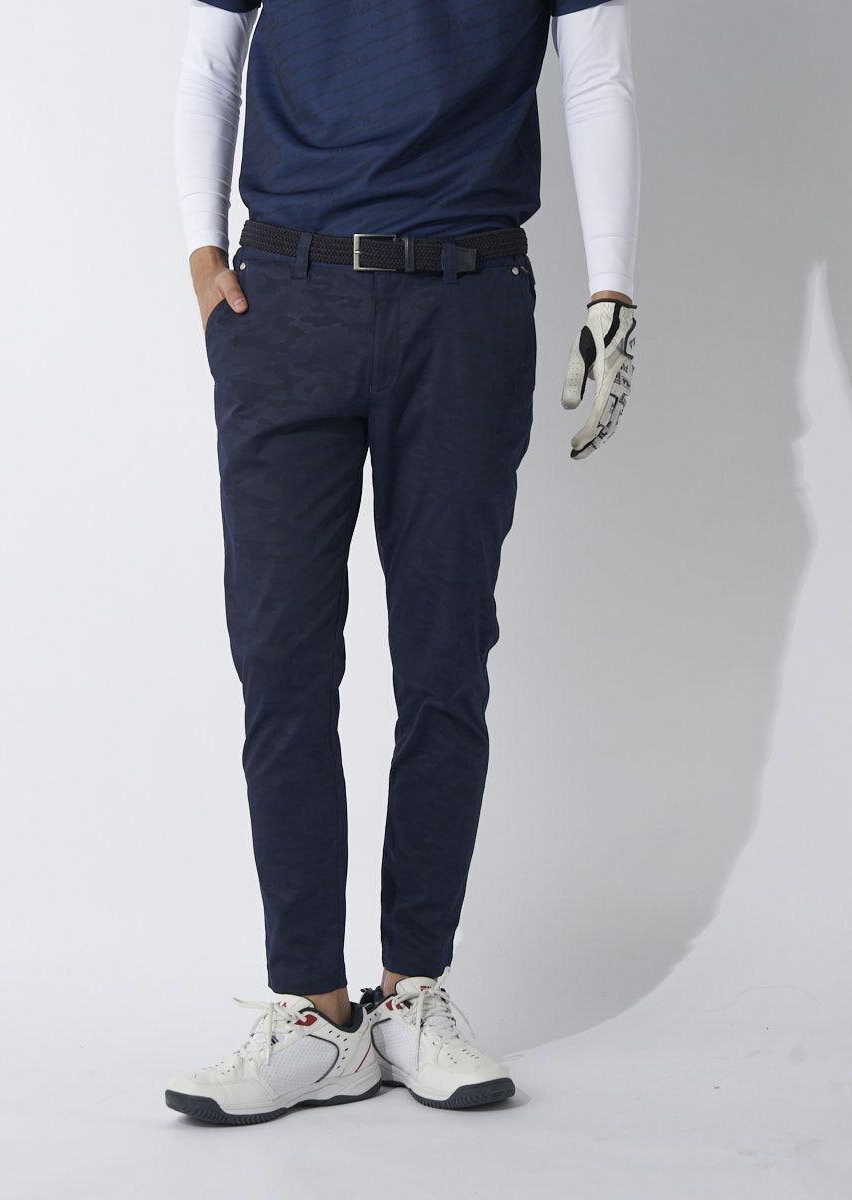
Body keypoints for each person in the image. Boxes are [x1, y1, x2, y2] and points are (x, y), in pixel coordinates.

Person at [166, 0, 640, 1124]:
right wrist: (200, 246)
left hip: (466, 302)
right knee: (280, 659)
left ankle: (413, 989)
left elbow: (598, 73)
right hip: (284, 293)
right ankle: (313, 1013)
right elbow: (211, 55)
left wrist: (612, 284)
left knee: (442, 660)